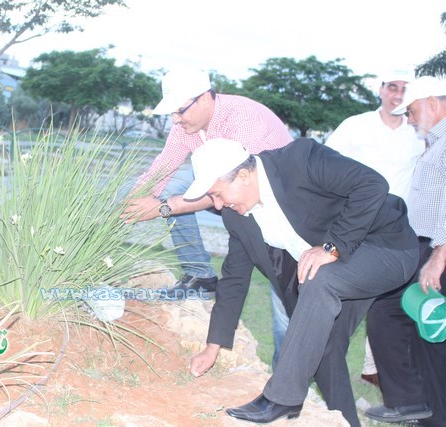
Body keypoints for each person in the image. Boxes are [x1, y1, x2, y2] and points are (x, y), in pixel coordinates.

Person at [186, 138, 418, 427]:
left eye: (218, 194)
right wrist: (213, 345)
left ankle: (281, 398)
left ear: (243, 176)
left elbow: (372, 185)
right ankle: (346, 422)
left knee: (322, 279)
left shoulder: (300, 159)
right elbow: (234, 278)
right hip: (341, 269)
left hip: (388, 247)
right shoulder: (237, 218)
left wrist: (332, 247)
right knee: (320, 346)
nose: (219, 205)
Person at [122, 67, 292, 366]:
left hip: (281, 210)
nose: (175, 119)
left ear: (203, 99)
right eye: (172, 113)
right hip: (236, 206)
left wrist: (161, 207)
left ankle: (287, 375)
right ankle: (200, 272)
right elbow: (163, 166)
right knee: (174, 188)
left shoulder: (243, 119)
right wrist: (130, 204)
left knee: (287, 301)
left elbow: (226, 184)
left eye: (180, 110)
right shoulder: (185, 128)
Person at [325, 70, 425, 387]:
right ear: (380, 90)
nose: (397, 95)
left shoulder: (419, 131)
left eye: (404, 90)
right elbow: (328, 165)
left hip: (402, 232)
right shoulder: (355, 126)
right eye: (392, 87)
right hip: (357, 227)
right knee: (345, 299)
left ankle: (374, 368)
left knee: (392, 301)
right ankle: (322, 363)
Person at [365, 76, 446, 426]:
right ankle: (419, 407)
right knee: (422, 327)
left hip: (435, 250)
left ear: (433, 103)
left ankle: (419, 407)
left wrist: (438, 258)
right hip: (423, 246)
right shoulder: (435, 141)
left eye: (411, 111)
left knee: (399, 316)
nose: (409, 119)